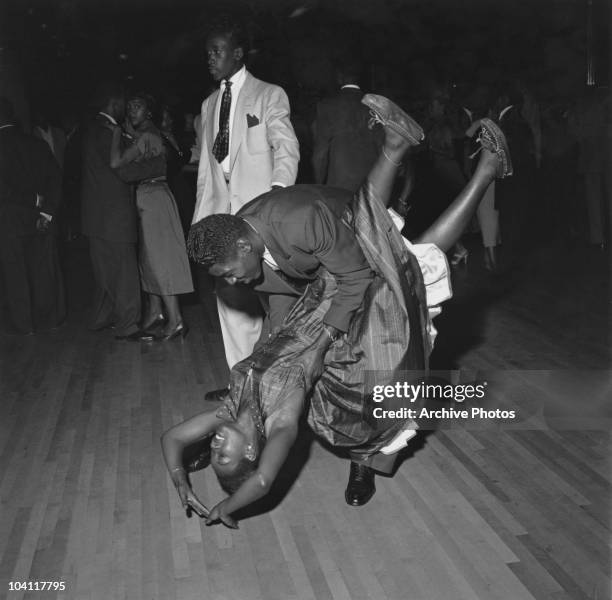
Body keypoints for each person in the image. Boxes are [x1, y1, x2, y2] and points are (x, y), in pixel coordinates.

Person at [162, 94, 513, 522]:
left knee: (394, 246)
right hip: (338, 327)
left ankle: (409, 148)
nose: (214, 447)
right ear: (252, 449)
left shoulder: (229, 409)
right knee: (415, 262)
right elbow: (263, 480)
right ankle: (481, 170)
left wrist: (180, 477)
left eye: (230, 272)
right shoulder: (280, 422)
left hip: (333, 275)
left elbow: (172, 438)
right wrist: (227, 508)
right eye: (225, 458)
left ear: (241, 245)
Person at [193, 16, 300, 373]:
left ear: (238, 54)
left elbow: (286, 148)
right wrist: (199, 226)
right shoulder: (208, 106)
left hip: (260, 217)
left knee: (275, 303)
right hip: (219, 218)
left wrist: (277, 198)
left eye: (217, 51)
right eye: (207, 52)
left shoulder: (269, 94)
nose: (210, 57)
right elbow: (207, 175)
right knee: (230, 305)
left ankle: (277, 382)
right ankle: (240, 384)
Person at [106, 92, 194, 340]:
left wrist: (115, 133)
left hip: (154, 198)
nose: (132, 110)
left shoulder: (147, 135)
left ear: (148, 112)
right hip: (150, 198)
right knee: (149, 261)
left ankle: (176, 319)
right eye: (130, 105)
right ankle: (157, 312)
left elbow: (116, 163)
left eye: (138, 106)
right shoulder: (148, 134)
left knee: (160, 260)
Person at [0, 97, 66, 334]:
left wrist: (31, 200)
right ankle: (51, 320)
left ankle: (25, 326)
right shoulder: (36, 144)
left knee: (16, 274)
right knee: (44, 270)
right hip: (40, 218)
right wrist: (46, 212)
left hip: (8, 222)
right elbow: (56, 180)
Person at [311, 59, 381, 192]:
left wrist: (318, 186)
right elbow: (382, 150)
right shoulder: (375, 106)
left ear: (339, 77)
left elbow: (319, 154)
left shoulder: (327, 106)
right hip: (373, 189)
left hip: (338, 188)